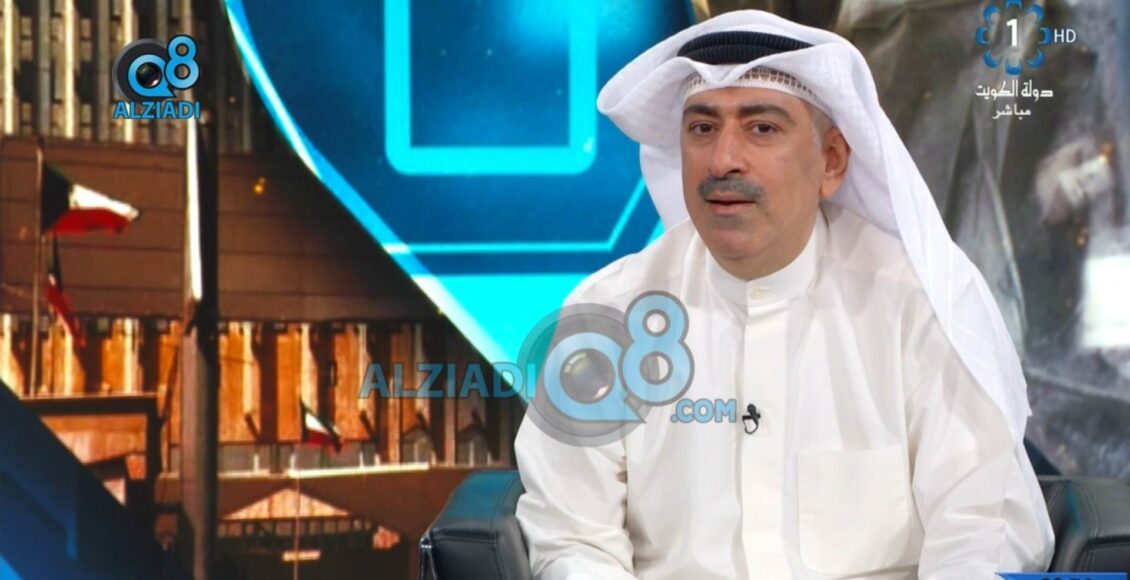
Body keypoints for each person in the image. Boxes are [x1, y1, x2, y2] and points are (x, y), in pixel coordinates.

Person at [512, 9, 1055, 580]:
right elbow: (571, 537)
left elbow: (983, 532)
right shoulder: (612, 313)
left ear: (832, 161)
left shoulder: (916, 306)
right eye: (703, 129)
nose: (723, 159)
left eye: (762, 128)